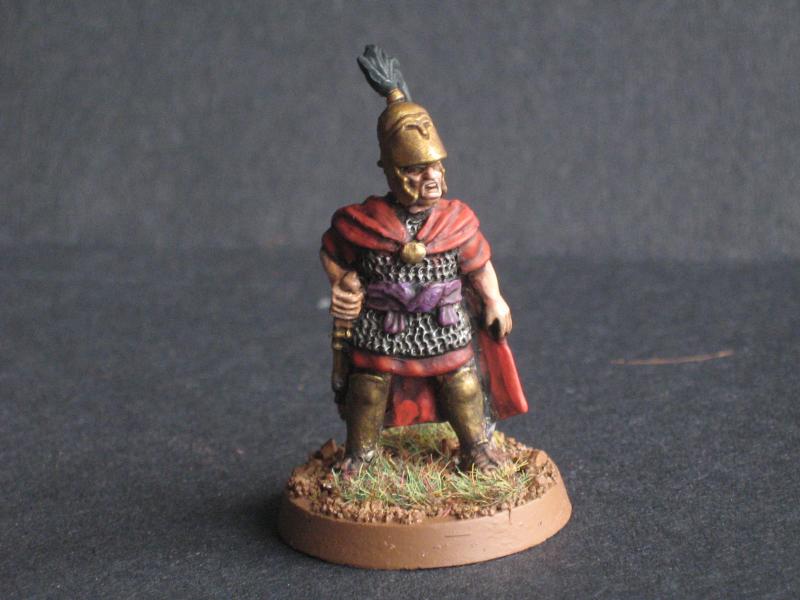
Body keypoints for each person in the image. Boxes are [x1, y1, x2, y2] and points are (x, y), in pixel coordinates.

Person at [320, 46, 527, 474]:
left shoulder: (455, 221)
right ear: (390, 170)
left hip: (444, 321)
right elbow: (333, 253)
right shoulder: (364, 222)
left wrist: (494, 299)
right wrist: (341, 282)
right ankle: (361, 455)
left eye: (434, 167)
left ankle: (476, 447)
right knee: (368, 388)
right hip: (383, 324)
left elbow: (477, 264)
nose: (430, 178)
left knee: (463, 382)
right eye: (415, 170)